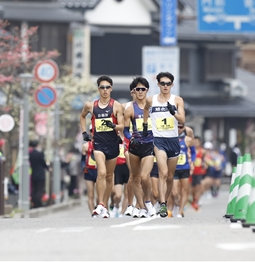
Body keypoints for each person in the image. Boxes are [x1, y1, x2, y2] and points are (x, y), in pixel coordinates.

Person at [79, 76, 125, 218]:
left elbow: (122, 126)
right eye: (102, 87)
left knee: (109, 176)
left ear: (111, 88)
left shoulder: (116, 105)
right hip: (98, 144)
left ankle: (104, 205)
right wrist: (84, 132)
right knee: (102, 173)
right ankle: (100, 204)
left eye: (107, 87)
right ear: (98, 89)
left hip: (112, 144)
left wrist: (114, 126)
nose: (105, 90)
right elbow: (82, 116)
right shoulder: (91, 106)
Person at [150, 71, 185, 218]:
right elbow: (144, 110)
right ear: (158, 84)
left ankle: (164, 201)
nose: (165, 86)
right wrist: (146, 126)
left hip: (173, 140)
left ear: (172, 85)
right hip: (158, 139)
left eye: (168, 83)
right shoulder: (151, 100)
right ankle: (163, 205)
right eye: (163, 83)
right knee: (162, 172)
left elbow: (182, 119)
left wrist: (173, 112)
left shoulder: (177, 100)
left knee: (170, 176)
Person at [123, 76, 155, 218]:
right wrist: (131, 139)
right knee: (135, 177)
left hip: (149, 145)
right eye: (138, 89)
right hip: (135, 147)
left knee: (144, 176)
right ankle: (141, 206)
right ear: (134, 91)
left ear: (147, 90)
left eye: (143, 89)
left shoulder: (153, 107)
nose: (140, 92)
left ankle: (148, 201)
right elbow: (124, 130)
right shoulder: (130, 110)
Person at [170, 124, 193, 217]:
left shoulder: (188, 139)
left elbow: (193, 152)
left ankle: (180, 211)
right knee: (174, 192)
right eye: (177, 127)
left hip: (185, 167)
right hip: (174, 168)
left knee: (184, 190)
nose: (179, 129)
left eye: (181, 127)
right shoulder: (170, 138)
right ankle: (177, 204)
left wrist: (192, 163)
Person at [29, 139, 50, 209]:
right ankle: (38, 203)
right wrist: (48, 168)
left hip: (34, 174)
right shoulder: (40, 154)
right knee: (39, 189)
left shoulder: (30, 155)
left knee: (34, 189)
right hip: (40, 174)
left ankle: (34, 202)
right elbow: (43, 163)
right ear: (37, 145)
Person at [82, 141, 97, 215]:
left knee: (99, 194)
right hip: (89, 171)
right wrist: (83, 167)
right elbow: (82, 159)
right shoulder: (86, 146)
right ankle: (92, 213)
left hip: (99, 170)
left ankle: (98, 208)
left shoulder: (103, 143)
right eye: (91, 131)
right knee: (90, 194)